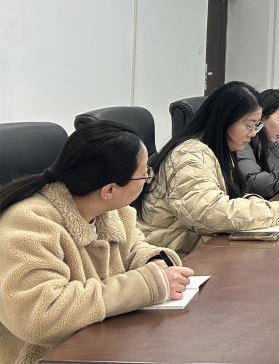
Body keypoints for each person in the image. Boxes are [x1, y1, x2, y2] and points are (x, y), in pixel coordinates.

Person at [0, 122, 193, 364]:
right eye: (145, 173)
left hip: (101, 343)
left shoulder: (112, 210)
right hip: (43, 356)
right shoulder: (29, 223)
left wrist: (153, 261)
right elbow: (40, 316)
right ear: (109, 189)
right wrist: (147, 284)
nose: (148, 179)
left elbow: (132, 247)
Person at [135, 81, 279, 255]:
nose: (254, 133)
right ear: (225, 120)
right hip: (169, 255)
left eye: (256, 126)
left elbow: (222, 196)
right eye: (249, 125)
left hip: (198, 244)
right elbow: (209, 213)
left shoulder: (220, 150)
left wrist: (251, 200)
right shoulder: (189, 154)